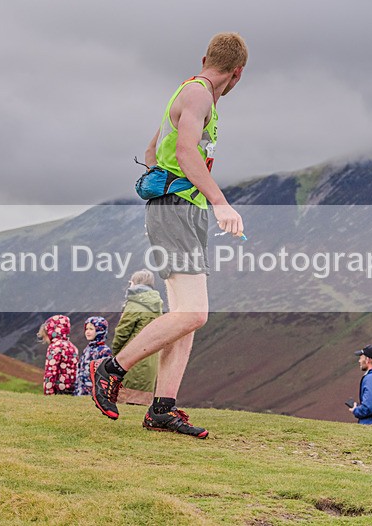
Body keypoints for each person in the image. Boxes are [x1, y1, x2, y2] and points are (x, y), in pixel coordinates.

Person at [90, 32, 248, 439]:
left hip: (180, 211)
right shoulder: (200, 96)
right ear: (237, 73)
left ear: (204, 58)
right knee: (195, 313)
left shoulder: (186, 92)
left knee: (186, 316)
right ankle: (111, 369)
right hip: (178, 211)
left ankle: (162, 408)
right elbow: (185, 153)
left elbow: (151, 152)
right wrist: (220, 202)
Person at [110, 270, 163, 405]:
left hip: (132, 356)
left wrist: (116, 353)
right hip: (150, 357)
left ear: (135, 283)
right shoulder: (156, 306)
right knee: (141, 401)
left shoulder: (134, 304)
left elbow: (123, 331)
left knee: (126, 400)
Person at [38, 315, 78, 396]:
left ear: (51, 332)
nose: (45, 340)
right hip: (72, 389)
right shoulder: (72, 347)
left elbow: (50, 371)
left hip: (59, 389)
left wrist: (48, 393)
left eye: (45, 336)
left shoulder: (54, 347)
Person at [74, 317, 113, 396]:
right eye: (86, 329)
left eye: (91, 329)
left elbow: (104, 375)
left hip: (94, 392)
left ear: (100, 330)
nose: (87, 332)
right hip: (81, 390)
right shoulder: (87, 349)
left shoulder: (104, 351)